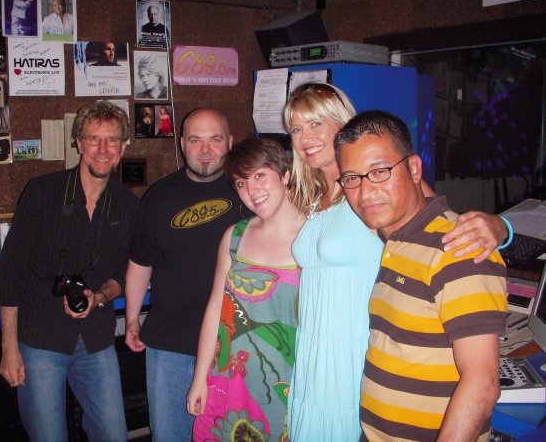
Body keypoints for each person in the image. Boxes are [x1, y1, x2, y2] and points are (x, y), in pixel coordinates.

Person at [283, 83, 510, 440]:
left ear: (342, 125)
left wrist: (500, 226)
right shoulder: (313, 194)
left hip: (352, 351)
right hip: (320, 351)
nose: (305, 137)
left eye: (316, 124)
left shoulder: (372, 199)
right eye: (296, 128)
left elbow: (438, 220)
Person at [335, 110, 506, 441]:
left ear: (414, 169)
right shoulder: (395, 237)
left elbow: (482, 386)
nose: (365, 192)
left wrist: (501, 227)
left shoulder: (460, 250)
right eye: (352, 178)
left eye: (379, 172)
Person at [0, 101, 137, 442]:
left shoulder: (128, 204)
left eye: (112, 140)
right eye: (93, 139)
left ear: (124, 145)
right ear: (78, 142)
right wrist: (9, 348)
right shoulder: (42, 193)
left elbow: (121, 277)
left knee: (114, 435)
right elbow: (10, 274)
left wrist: (99, 295)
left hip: (96, 338)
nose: (103, 150)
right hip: (40, 338)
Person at [125, 108, 252, 441]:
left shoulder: (251, 193)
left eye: (215, 140)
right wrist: (132, 319)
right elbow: (140, 263)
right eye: (196, 140)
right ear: (182, 144)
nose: (205, 150)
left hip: (235, 345)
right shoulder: (159, 196)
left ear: (230, 142)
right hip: (171, 347)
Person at [187, 138, 304, 441]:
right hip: (230, 380)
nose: (251, 191)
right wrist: (200, 378)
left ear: (286, 175)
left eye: (260, 176)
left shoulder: (314, 238)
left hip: (290, 383)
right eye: (241, 182)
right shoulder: (235, 237)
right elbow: (216, 308)